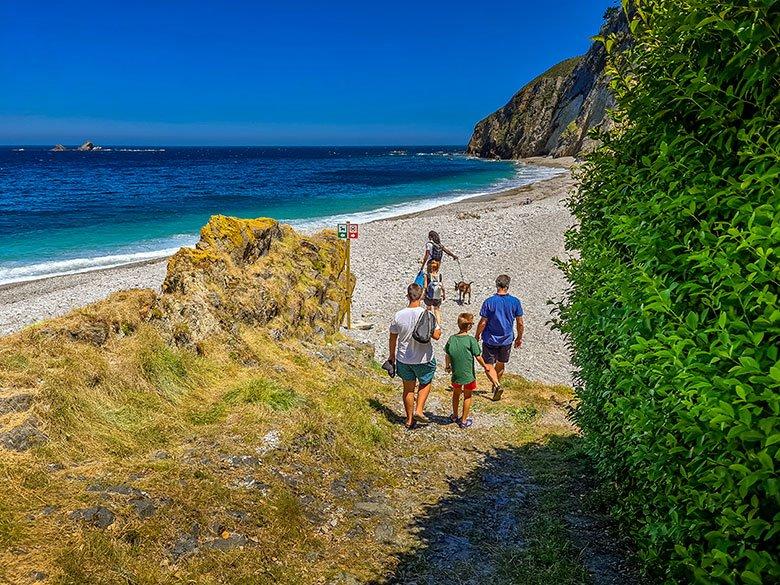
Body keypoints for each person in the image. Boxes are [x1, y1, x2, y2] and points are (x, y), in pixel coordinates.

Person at [388, 283, 442, 428]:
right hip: (424, 358)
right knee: (425, 382)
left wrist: (391, 356)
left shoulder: (398, 315)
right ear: (422, 296)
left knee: (408, 389)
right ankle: (419, 410)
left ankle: (409, 420)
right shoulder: (428, 314)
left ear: (407, 295)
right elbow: (437, 336)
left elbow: (393, 337)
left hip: (403, 358)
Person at [445, 313, 499, 428]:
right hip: (468, 375)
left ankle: (454, 415)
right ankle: (464, 421)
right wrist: (485, 366)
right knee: (467, 396)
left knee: (456, 394)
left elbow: (447, 354)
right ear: (469, 326)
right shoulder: (471, 340)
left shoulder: (452, 339)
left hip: (456, 374)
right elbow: (478, 356)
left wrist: (447, 366)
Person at [475, 274, 524, 401]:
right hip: (507, 339)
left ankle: (496, 384)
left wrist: (477, 335)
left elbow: (483, 322)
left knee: (488, 364)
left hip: (490, 338)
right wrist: (519, 337)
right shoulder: (515, 302)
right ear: (508, 286)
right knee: (501, 363)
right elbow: (520, 322)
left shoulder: (489, 302)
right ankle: (495, 384)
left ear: (497, 284)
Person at [423, 259, 445, 324]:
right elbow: (442, 287)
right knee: (437, 310)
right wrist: (444, 294)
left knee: (429, 309)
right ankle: (438, 325)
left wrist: (424, 295)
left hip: (429, 296)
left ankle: (429, 324)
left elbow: (425, 286)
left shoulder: (427, 275)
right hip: (437, 296)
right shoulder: (440, 275)